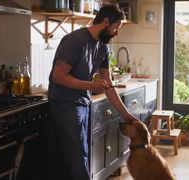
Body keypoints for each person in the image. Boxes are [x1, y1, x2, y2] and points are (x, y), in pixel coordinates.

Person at [47, 5, 139, 180]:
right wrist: (90, 85)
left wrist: (126, 115)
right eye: (115, 28)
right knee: (77, 155)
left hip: (83, 104)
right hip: (64, 104)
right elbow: (57, 76)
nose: (116, 33)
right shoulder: (75, 40)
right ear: (105, 22)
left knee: (82, 153)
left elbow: (109, 85)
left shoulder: (103, 46)